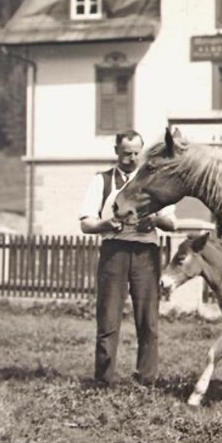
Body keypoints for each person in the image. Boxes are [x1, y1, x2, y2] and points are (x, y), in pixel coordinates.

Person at [79, 129, 178, 386]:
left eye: (136, 153)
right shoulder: (101, 181)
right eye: (126, 153)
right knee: (109, 318)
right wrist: (107, 225)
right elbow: (86, 224)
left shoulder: (154, 181)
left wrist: (155, 219)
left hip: (146, 253)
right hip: (115, 253)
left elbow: (172, 223)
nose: (131, 158)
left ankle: (146, 381)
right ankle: (103, 381)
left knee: (148, 320)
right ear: (116, 152)